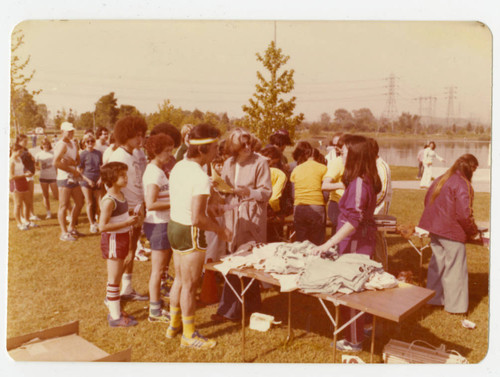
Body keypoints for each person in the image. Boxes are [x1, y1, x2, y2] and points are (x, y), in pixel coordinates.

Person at [312, 135, 381, 352]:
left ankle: (354, 340)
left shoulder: (360, 182)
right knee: (359, 286)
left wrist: (327, 244)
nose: (340, 156)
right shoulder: (363, 178)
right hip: (359, 240)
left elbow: (354, 220)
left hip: (355, 243)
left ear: (356, 156)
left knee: (351, 288)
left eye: (343, 153)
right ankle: (365, 326)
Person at [167, 123, 232, 349]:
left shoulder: (179, 166)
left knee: (179, 279)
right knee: (190, 285)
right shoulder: (200, 176)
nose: (217, 152)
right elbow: (197, 218)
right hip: (190, 231)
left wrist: (211, 204)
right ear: (202, 150)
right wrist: (221, 230)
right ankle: (189, 335)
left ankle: (174, 325)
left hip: (174, 226)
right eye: (214, 147)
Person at [213, 128, 272, 323]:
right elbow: (225, 190)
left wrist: (250, 192)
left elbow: (266, 192)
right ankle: (252, 305)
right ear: (233, 147)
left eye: (249, 143)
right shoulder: (229, 162)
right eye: (242, 144)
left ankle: (228, 310)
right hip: (231, 214)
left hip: (251, 216)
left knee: (242, 259)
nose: (247, 147)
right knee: (236, 259)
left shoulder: (260, 162)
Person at [418, 154, 480, 315]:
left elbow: (427, 200)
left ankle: (433, 298)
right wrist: (473, 232)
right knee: (455, 269)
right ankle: (455, 307)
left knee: (437, 265)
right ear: (470, 168)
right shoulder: (462, 183)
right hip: (451, 231)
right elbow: (464, 214)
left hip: (435, 228)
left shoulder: (441, 178)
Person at [108, 115, 149, 301]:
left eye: (142, 135)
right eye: (136, 136)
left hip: (137, 207)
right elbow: (110, 185)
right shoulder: (118, 155)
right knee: (124, 253)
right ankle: (112, 294)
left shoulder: (136, 154)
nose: (140, 140)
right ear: (125, 135)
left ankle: (127, 288)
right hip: (126, 210)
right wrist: (122, 209)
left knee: (132, 250)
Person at [99, 161, 139, 327]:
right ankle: (115, 316)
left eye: (125, 174)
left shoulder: (121, 195)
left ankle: (115, 307)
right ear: (111, 178)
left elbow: (120, 218)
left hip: (122, 238)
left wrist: (131, 217)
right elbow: (102, 227)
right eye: (122, 175)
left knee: (118, 274)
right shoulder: (109, 200)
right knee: (114, 279)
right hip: (114, 240)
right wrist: (127, 223)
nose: (126, 178)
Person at [142, 133, 175, 323]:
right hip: (158, 224)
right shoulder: (153, 173)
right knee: (157, 270)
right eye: (167, 151)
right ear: (156, 152)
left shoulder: (160, 170)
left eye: (171, 150)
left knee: (162, 269)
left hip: (164, 222)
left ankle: (158, 303)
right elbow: (151, 203)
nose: (170, 155)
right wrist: (177, 200)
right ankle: (154, 311)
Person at [290, 141, 328, 245]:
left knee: (301, 240)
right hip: (317, 205)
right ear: (317, 156)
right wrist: (322, 202)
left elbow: (293, 193)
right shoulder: (324, 169)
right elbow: (326, 193)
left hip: (299, 206)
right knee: (317, 240)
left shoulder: (296, 169)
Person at [53, 122, 85, 241]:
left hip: (73, 177)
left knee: (80, 202)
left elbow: (77, 160)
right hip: (64, 178)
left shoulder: (73, 143)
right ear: (62, 131)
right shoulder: (61, 145)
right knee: (63, 205)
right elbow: (55, 163)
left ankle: (71, 227)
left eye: (72, 131)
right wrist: (71, 169)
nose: (71, 133)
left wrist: (73, 164)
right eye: (68, 131)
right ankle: (64, 233)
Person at [369, 138, 393, 271]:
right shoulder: (372, 165)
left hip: (379, 209)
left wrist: (369, 206)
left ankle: (383, 269)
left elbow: (382, 192)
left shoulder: (382, 166)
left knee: (378, 238)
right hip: (371, 209)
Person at [260, 145, 288, 242]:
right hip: (270, 213)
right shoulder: (279, 174)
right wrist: (277, 210)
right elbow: (274, 198)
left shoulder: (254, 170)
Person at [322, 134, 346, 236]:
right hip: (337, 204)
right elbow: (325, 185)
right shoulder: (337, 162)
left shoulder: (354, 163)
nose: (336, 147)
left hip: (348, 205)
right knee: (338, 235)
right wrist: (341, 185)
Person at [78, 133, 103, 234]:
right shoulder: (82, 154)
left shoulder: (99, 153)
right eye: (87, 141)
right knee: (90, 203)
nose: (90, 143)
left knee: (100, 203)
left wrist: (100, 179)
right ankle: (92, 224)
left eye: (92, 141)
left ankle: (100, 222)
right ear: (84, 143)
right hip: (86, 181)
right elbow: (79, 171)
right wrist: (88, 181)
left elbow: (102, 168)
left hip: (97, 180)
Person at [16, 134, 39, 222]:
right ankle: (22, 216)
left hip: (30, 175)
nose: (26, 143)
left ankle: (31, 214)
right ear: (19, 141)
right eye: (24, 141)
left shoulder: (25, 150)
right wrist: (25, 171)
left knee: (30, 197)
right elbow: (19, 164)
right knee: (23, 198)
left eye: (26, 141)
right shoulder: (18, 151)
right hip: (24, 176)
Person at [34, 137, 58, 219]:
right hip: (43, 177)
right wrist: (40, 168)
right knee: (45, 195)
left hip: (53, 176)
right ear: (41, 145)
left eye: (47, 144)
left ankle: (62, 210)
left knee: (56, 195)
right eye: (44, 144)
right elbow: (36, 165)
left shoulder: (53, 153)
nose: (45, 145)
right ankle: (48, 213)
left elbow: (57, 164)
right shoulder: (38, 154)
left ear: (49, 144)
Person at [10, 143, 31, 230]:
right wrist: (24, 175)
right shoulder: (11, 161)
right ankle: (19, 223)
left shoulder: (19, 158)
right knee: (18, 204)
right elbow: (11, 176)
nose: (21, 153)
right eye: (19, 151)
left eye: (21, 151)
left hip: (23, 181)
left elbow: (22, 169)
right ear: (13, 151)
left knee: (27, 202)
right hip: (15, 183)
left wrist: (27, 171)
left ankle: (26, 221)